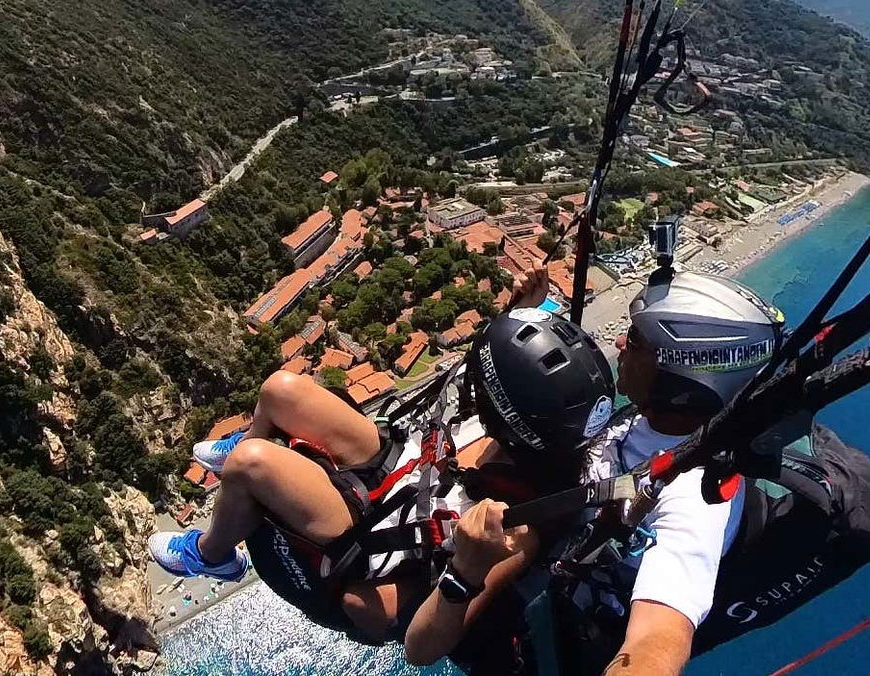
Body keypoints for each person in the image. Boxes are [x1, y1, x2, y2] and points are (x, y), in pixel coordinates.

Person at [148, 267, 617, 645]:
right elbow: (476, 379)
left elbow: (421, 650)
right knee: (280, 389)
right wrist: (519, 314)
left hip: (380, 536)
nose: (474, 381)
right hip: (401, 465)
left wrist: (468, 570)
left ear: (510, 416)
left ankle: (213, 555)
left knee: (252, 463)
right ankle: (260, 439)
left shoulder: (518, 528)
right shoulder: (523, 428)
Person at [404, 270, 788, 674]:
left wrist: (464, 572)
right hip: (560, 504)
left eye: (636, 341)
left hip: (541, 570)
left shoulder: (696, 498)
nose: (620, 342)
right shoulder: (657, 422)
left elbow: (659, 637)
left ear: (680, 379)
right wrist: (521, 317)